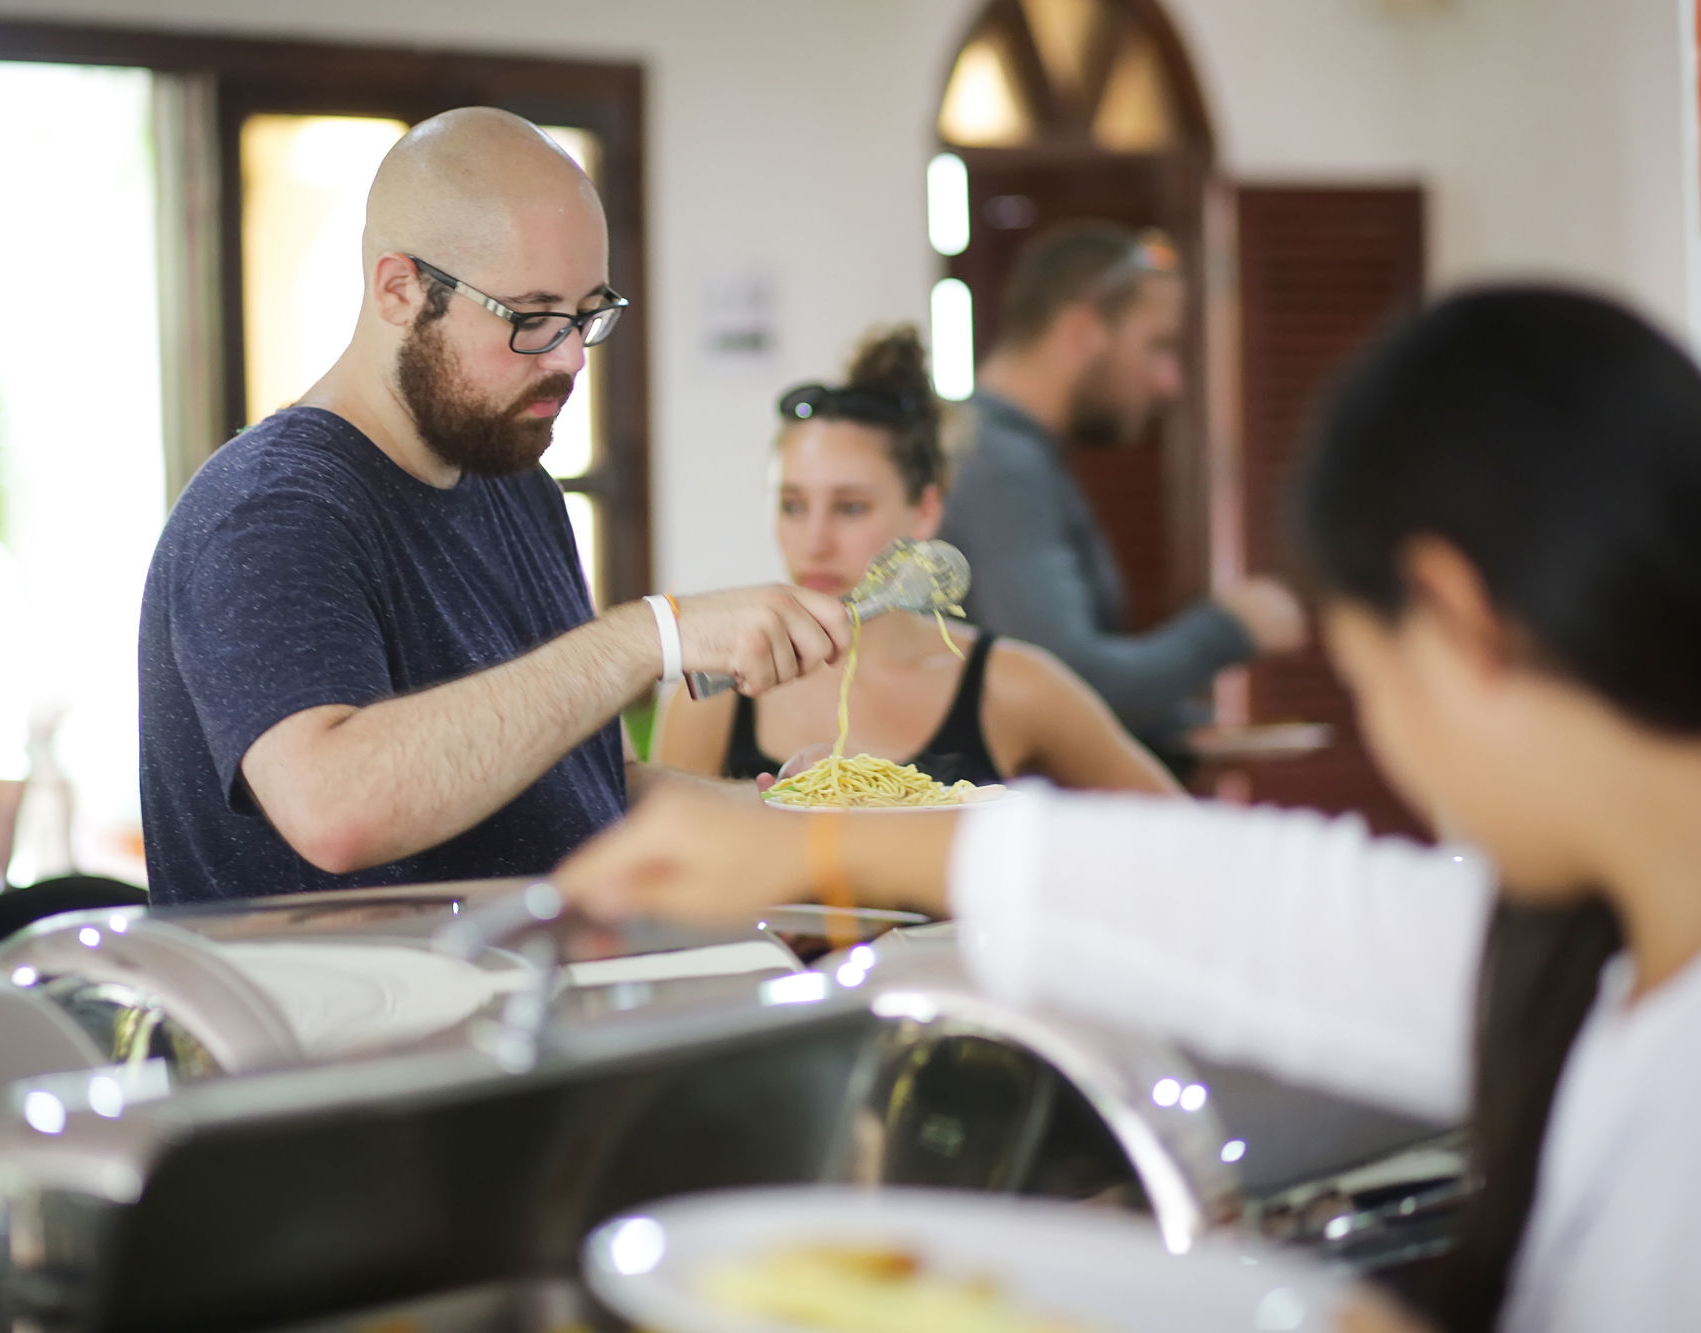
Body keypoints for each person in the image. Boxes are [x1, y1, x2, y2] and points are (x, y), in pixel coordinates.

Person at [556, 287, 1701, 1333]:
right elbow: (1280, 914)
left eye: (1368, 679)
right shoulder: (1596, 961)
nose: (1398, 749)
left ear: (1459, 622)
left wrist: (817, 839)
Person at [137, 108, 854, 904]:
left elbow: (595, 792)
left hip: (529, 1010)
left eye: (588, 314)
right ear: (400, 289)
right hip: (333, 1025)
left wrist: (793, 818)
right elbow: (333, 807)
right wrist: (644, 637)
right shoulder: (274, 509)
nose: (571, 357)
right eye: (533, 317)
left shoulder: (513, 480)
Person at [656, 325, 1176, 797]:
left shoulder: (1012, 684)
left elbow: (1176, 830)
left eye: (851, 507)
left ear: (925, 511)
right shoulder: (722, 693)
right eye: (793, 505)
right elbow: (655, 874)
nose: (814, 541)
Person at [939, 222, 1305, 763]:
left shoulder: (1008, 451)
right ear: (1082, 330)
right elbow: (1068, 685)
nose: (1170, 382)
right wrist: (1229, 627)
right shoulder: (1000, 464)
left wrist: (1177, 732)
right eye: (1157, 346)